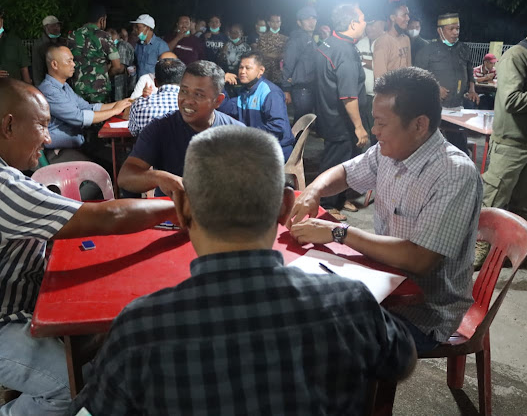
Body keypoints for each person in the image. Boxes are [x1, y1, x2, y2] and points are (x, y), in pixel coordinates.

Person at [72, 125, 417, 416]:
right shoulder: (349, 301)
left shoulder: (140, 330)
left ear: (181, 206)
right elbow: (402, 361)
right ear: (285, 206)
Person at [0, 78, 177, 416]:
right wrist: (180, 205)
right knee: (75, 386)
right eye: (42, 126)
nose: (47, 138)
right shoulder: (0, 186)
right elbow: (111, 215)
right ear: (9, 125)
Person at [288, 66, 482, 352]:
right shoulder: (390, 151)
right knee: (299, 305)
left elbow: (419, 259)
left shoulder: (453, 173)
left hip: (423, 311)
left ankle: (356, 394)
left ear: (419, 125)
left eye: (381, 123)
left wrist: (338, 232)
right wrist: (313, 191)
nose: (374, 131)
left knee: (319, 337)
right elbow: (344, 172)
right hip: (382, 282)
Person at [117, 60, 244, 197]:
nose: (187, 100)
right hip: (170, 212)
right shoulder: (160, 128)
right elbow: (125, 177)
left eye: (198, 94)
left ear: (218, 101)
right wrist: (159, 177)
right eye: (183, 91)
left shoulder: (237, 134)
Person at [475, 25, 527, 267]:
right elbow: (511, 100)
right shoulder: (516, 57)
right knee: (494, 199)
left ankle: (511, 252)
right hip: (512, 144)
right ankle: (478, 251)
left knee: (524, 205)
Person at [313, 4, 369, 221]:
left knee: (348, 161)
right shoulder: (344, 51)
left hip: (328, 114)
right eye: (363, 19)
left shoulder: (331, 42)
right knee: (336, 162)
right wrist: (359, 127)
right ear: (353, 23)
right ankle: (326, 205)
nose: (366, 23)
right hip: (341, 120)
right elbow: (348, 95)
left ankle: (338, 198)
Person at [38, 44, 131, 165]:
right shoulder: (49, 90)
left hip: (79, 143)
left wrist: (120, 104)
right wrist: (114, 111)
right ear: (55, 64)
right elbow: (79, 118)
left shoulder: (64, 87)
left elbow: (88, 107)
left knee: (118, 159)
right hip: (60, 151)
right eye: (69, 61)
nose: (74, 64)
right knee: (110, 164)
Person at [415, 13, 479, 153]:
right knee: (433, 147)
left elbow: (469, 70)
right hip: (436, 108)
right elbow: (418, 77)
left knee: (458, 146)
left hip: (457, 107)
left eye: (458, 28)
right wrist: (435, 88)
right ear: (440, 30)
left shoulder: (463, 49)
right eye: (451, 29)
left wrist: (472, 89)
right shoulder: (427, 51)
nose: (456, 32)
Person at [218, 52, 294, 160]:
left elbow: (277, 127)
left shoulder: (270, 92)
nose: (242, 72)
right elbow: (226, 109)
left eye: (248, 68)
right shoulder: (245, 92)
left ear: (261, 71)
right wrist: (220, 83)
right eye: (241, 67)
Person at [68, 5, 122, 104]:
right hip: (99, 91)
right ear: (102, 20)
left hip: (78, 90)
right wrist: (105, 75)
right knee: (99, 117)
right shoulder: (104, 36)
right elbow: (117, 67)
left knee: (81, 118)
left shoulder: (72, 36)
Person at [128, 58, 185, 136]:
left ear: (155, 82)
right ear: (183, 82)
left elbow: (133, 132)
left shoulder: (138, 104)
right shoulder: (191, 104)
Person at [282, 6, 318, 123]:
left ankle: (296, 141)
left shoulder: (309, 39)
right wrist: (286, 89)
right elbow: (288, 63)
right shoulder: (297, 39)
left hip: (308, 88)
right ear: (299, 22)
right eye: (307, 19)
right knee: (301, 123)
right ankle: (293, 141)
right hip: (301, 89)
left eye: (313, 18)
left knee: (305, 122)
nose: (311, 22)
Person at [357, 19, 386, 145]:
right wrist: (371, 63)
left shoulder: (387, 42)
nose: (369, 28)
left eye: (373, 24)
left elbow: (384, 65)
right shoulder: (360, 43)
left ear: (382, 24)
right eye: (368, 24)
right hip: (365, 95)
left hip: (382, 96)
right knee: (369, 130)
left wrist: (367, 62)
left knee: (381, 131)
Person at [373, 1, 411, 79]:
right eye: (404, 15)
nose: (408, 18)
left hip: (406, 89)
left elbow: (409, 68)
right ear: (393, 18)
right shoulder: (382, 42)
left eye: (408, 15)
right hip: (391, 90)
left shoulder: (406, 39)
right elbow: (380, 78)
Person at [32, 15, 65, 85]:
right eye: (53, 26)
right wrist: (40, 87)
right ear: (45, 28)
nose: (56, 28)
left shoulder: (63, 42)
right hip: (46, 83)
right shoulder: (39, 45)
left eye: (58, 25)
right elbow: (37, 68)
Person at [257, 14, 288, 84]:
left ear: (280, 23)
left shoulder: (285, 39)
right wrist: (278, 56)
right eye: (273, 22)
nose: (275, 24)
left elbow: (287, 55)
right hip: (265, 74)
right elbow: (261, 54)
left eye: (278, 22)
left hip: (280, 75)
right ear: (269, 23)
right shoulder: (262, 38)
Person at [107, 27, 136, 101]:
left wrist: (105, 74)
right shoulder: (116, 46)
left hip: (121, 89)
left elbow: (119, 69)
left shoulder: (122, 46)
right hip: (118, 87)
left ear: (116, 34)